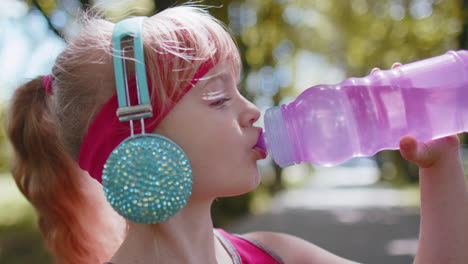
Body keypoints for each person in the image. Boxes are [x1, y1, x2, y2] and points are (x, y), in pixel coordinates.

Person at [5, 5, 468, 264]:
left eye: (240, 90)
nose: (252, 111)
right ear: (137, 141)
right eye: (216, 97)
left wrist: (441, 166)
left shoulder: (275, 253)